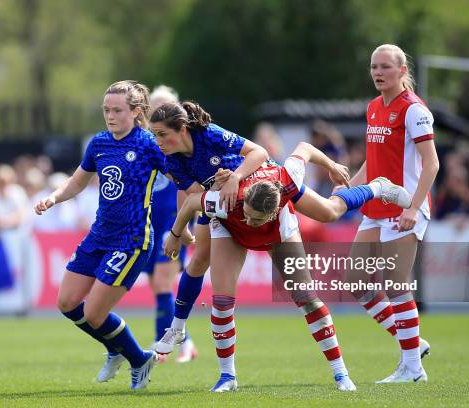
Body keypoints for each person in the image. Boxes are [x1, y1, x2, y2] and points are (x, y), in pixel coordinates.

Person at [164, 141, 413, 392]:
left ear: (274, 212)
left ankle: (341, 374)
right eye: (249, 214)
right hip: (230, 226)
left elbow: (304, 148)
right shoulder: (227, 200)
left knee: (309, 295)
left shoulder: (287, 180)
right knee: (222, 303)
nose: (250, 221)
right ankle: (227, 377)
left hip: (278, 233)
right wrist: (175, 235)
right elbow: (190, 203)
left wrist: (331, 165)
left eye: (256, 218)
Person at [34, 80, 165, 390]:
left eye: (117, 110)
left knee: (94, 313)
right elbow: (77, 182)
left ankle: (137, 359)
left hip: (131, 239)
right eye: (106, 110)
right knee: (67, 303)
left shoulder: (148, 144)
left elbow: (180, 176)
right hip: (99, 235)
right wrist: (53, 198)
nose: (110, 116)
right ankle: (117, 349)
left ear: (135, 112)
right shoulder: (99, 143)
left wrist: (189, 216)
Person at [345, 44, 440, 384]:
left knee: (396, 284)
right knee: (355, 281)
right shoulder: (373, 107)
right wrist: (349, 191)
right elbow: (373, 161)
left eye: (385, 66)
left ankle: (413, 369)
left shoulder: (414, 109)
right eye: (374, 66)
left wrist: (413, 208)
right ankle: (412, 345)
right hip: (375, 207)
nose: (378, 72)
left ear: (402, 71)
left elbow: (432, 162)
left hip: (403, 207)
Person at [149, 101, 269, 354]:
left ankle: (367, 189)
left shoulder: (208, 134)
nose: (157, 141)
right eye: (154, 135)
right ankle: (177, 328)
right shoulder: (170, 161)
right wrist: (215, 188)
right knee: (197, 264)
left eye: (162, 134)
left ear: (182, 129)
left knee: (326, 211)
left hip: (259, 198)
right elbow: (196, 196)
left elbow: (259, 153)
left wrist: (235, 176)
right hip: (220, 206)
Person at [145, 85, 198, 362]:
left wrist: (186, 223)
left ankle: (160, 341)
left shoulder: (178, 148)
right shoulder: (148, 144)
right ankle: (185, 341)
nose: (156, 111)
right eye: (152, 107)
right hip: (148, 224)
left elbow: (192, 189)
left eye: (162, 106)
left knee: (164, 282)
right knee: (157, 285)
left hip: (172, 221)